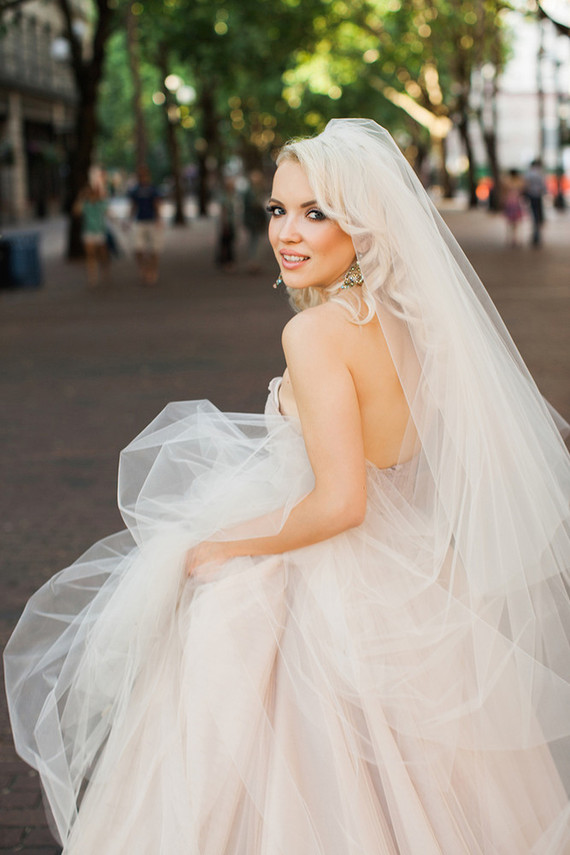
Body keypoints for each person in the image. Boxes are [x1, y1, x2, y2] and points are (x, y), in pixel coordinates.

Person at [5, 120, 570, 854]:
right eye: (278, 210)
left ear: (364, 224)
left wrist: (221, 545)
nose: (287, 233)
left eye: (315, 212)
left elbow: (341, 501)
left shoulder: (315, 334)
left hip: (336, 581)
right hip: (421, 575)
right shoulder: (416, 322)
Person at [129, 166, 163, 285]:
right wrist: (129, 219)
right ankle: (143, 269)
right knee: (138, 249)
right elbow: (133, 206)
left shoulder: (153, 189)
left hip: (152, 220)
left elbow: (157, 204)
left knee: (154, 249)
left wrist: (159, 219)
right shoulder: (135, 190)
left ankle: (153, 271)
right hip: (140, 221)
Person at [74, 181, 110, 289]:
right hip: (88, 231)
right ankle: (92, 276)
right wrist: (80, 197)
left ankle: (104, 267)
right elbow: (76, 212)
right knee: (90, 254)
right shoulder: (85, 204)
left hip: (100, 231)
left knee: (102, 253)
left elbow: (108, 212)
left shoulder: (101, 203)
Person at [243, 169, 268, 273]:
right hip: (253, 220)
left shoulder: (256, 190)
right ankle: (253, 262)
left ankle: (254, 261)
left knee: (255, 240)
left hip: (256, 219)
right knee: (254, 240)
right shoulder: (250, 192)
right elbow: (252, 205)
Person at [215, 175, 238, 271]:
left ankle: (227, 261)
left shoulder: (231, 196)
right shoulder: (225, 198)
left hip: (231, 222)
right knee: (226, 243)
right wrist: (225, 224)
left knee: (229, 242)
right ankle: (226, 262)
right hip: (227, 223)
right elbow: (223, 212)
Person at [524, 158, 547, 246]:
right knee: (538, 215)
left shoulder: (529, 173)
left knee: (534, 215)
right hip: (538, 196)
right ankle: (537, 234)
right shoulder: (540, 173)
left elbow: (526, 184)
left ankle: (535, 234)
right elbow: (543, 186)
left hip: (531, 196)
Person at [501, 168, 525, 246]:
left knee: (509, 222)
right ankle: (515, 239)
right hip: (516, 203)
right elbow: (523, 188)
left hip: (509, 202)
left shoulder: (507, 181)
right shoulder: (519, 182)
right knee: (516, 223)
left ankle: (510, 238)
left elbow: (504, 191)